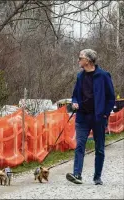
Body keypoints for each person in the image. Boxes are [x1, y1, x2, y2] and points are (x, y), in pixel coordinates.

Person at [66, 49, 115, 185]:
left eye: (80, 58)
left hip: (98, 118)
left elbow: (111, 98)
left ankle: (97, 177)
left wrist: (105, 114)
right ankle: (77, 175)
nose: (78, 60)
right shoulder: (80, 76)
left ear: (88, 60)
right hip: (82, 117)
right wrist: (75, 102)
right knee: (80, 145)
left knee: (99, 148)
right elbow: (75, 94)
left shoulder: (104, 75)